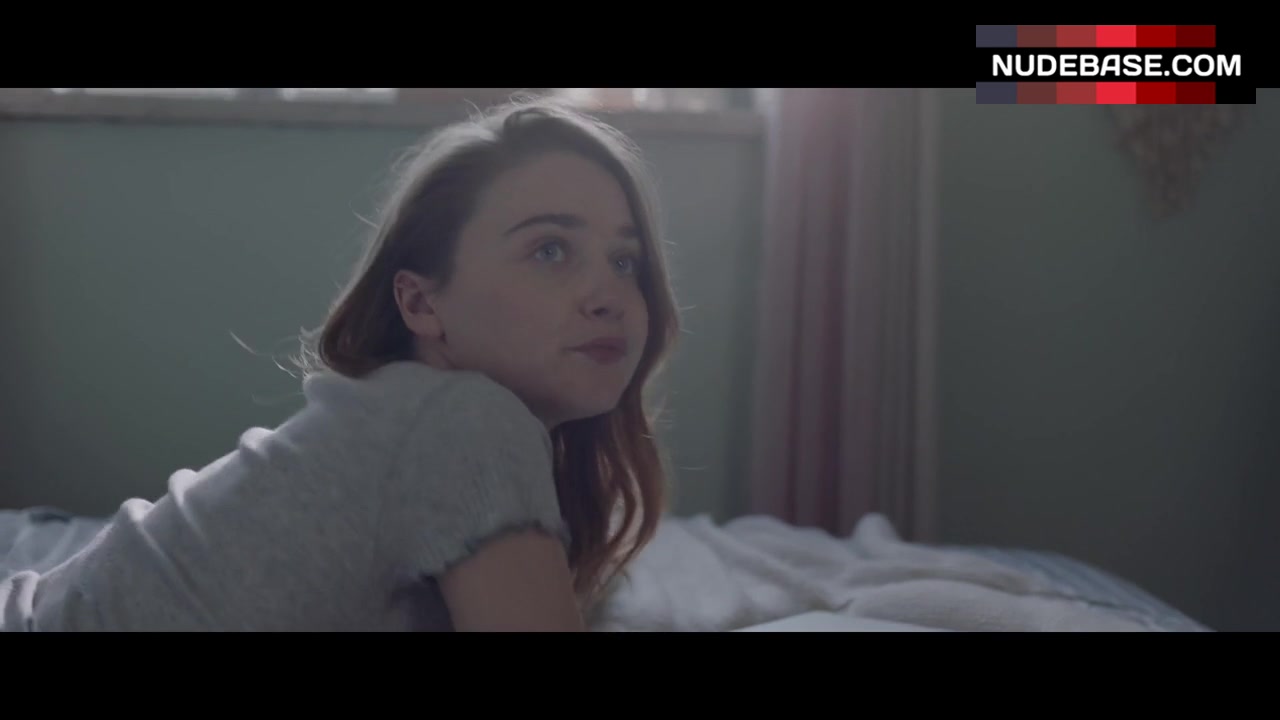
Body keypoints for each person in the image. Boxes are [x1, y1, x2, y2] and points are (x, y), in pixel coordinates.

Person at [0, 96, 680, 631]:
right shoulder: (466, 420)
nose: (609, 295)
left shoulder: (409, 417)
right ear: (421, 304)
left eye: (626, 262)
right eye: (550, 251)